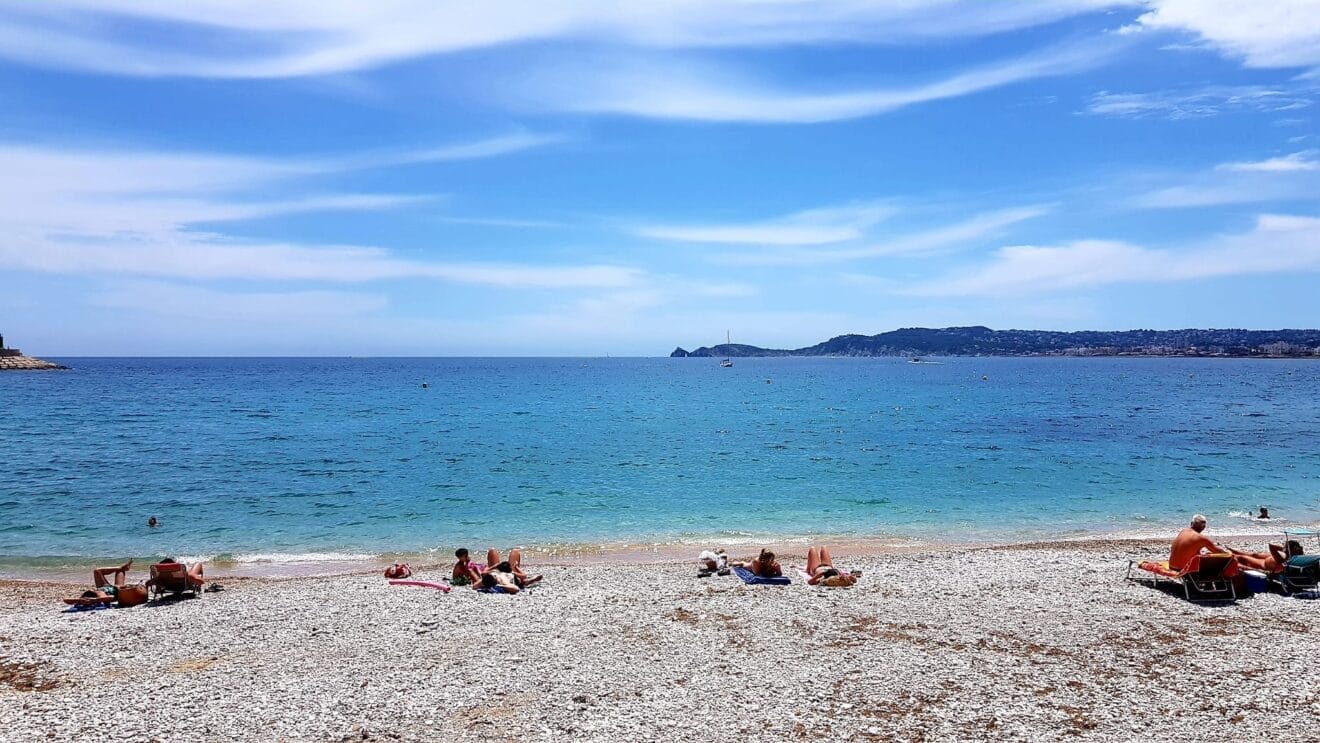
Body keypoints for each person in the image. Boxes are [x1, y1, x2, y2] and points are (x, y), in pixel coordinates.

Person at [1170, 515, 1284, 573]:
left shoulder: (1183, 531)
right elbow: (1219, 552)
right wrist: (1228, 553)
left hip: (1172, 565)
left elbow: (1187, 548)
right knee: (1229, 560)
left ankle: (1250, 569)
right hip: (1183, 569)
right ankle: (1252, 571)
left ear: (1191, 523)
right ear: (1204, 526)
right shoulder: (1201, 538)